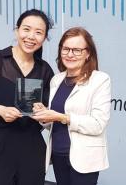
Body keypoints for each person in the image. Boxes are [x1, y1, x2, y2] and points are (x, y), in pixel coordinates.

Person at [0, 9, 54, 185]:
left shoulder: (45, 70)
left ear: (45, 38)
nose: (31, 36)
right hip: (0, 145)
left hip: (32, 147)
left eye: (38, 32)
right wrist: (0, 110)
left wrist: (43, 111)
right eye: (26, 29)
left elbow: (49, 111)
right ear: (17, 30)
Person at [32, 27, 111, 185]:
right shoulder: (57, 79)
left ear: (88, 53)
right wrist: (44, 115)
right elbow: (54, 122)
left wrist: (62, 117)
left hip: (84, 158)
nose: (70, 54)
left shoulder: (100, 80)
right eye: (66, 49)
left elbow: (98, 124)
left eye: (77, 50)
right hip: (58, 153)